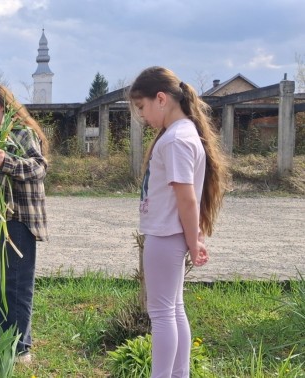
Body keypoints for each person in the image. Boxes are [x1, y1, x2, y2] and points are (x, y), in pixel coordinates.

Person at [129, 66, 228, 378]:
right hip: (171, 234)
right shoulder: (183, 134)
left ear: (161, 99)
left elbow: (187, 198)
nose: (142, 116)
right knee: (173, 309)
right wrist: (192, 236)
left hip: (164, 235)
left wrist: (194, 239)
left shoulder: (175, 140)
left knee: (161, 314)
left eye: (142, 107)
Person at [0, 83, 49, 362]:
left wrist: (7, 161)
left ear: (2, 106)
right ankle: (2, 337)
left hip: (18, 219)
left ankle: (20, 348)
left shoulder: (22, 133)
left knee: (15, 282)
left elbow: (40, 167)